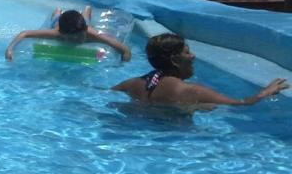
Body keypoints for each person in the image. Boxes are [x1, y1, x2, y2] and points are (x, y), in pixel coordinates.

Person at [112, 32, 287, 110]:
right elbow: (242, 103)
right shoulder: (191, 90)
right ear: (175, 60)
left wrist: (192, 107)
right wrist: (265, 93)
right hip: (180, 143)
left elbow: (108, 94)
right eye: (187, 52)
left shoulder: (131, 84)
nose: (193, 56)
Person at [4, 6, 132, 62]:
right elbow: (25, 33)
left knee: (85, 19)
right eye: (72, 38)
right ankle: (58, 11)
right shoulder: (56, 33)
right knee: (55, 19)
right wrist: (10, 49)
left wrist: (121, 65)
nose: (77, 40)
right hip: (59, 24)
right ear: (62, 34)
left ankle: (87, 9)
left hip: (84, 25)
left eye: (80, 36)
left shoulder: (93, 35)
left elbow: (125, 50)